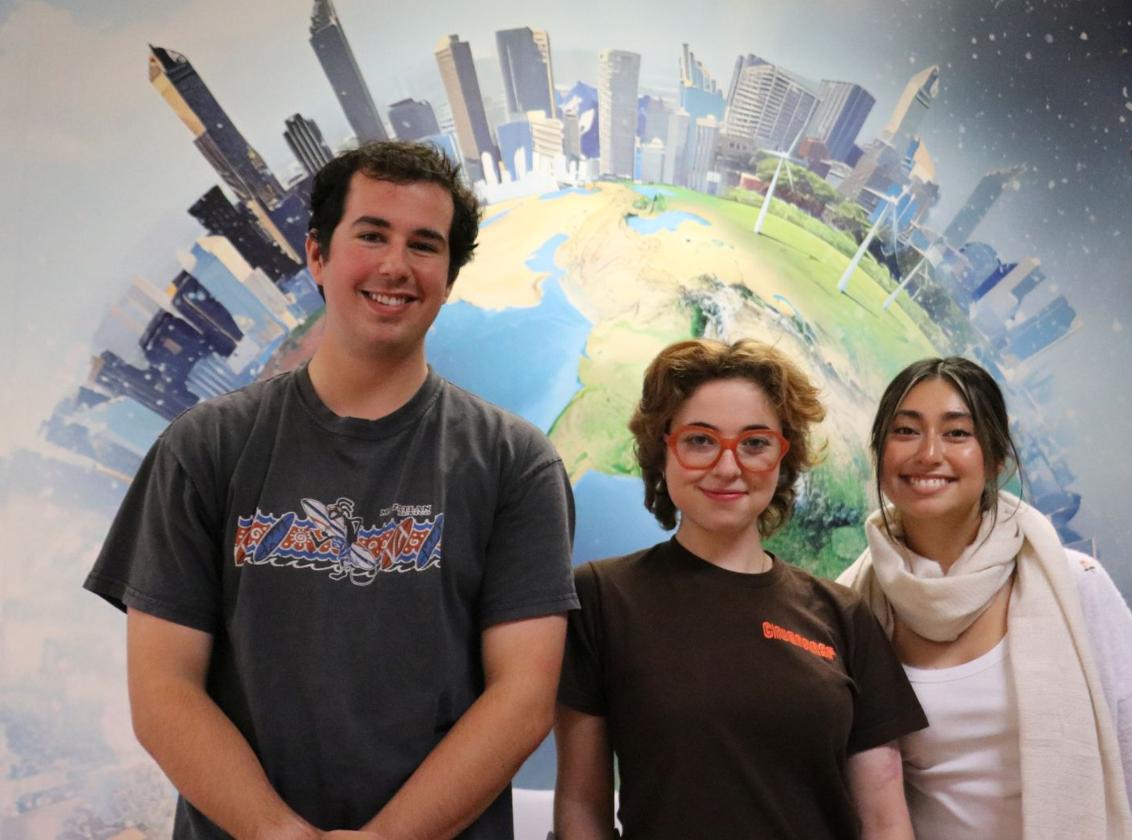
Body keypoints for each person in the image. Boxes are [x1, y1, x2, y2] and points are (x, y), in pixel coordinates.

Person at [83, 142, 578, 839]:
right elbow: (164, 690)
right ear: (318, 256)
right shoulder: (205, 448)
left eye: (424, 246)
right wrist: (278, 834)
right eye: (371, 234)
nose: (395, 265)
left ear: (450, 275)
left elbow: (523, 698)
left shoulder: (514, 463)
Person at [554, 338, 927, 840]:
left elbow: (884, 819)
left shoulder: (843, 614)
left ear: (782, 457)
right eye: (701, 440)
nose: (728, 466)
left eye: (754, 443)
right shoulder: (601, 597)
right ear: (662, 448)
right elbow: (581, 803)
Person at [838, 356, 1132, 840]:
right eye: (906, 431)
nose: (929, 453)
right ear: (880, 452)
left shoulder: (1079, 586)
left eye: (957, 433)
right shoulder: (850, 604)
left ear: (996, 459)